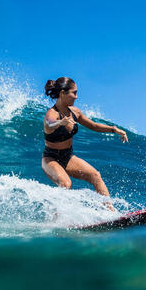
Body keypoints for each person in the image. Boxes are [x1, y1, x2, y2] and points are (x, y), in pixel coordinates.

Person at [42, 77, 128, 210]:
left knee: (95, 176)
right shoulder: (52, 113)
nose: (76, 97)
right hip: (50, 158)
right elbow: (49, 123)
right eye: (74, 93)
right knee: (65, 184)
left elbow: (93, 125)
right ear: (62, 93)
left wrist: (113, 129)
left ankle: (111, 213)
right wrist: (61, 122)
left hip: (68, 156)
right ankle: (58, 219)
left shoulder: (75, 112)